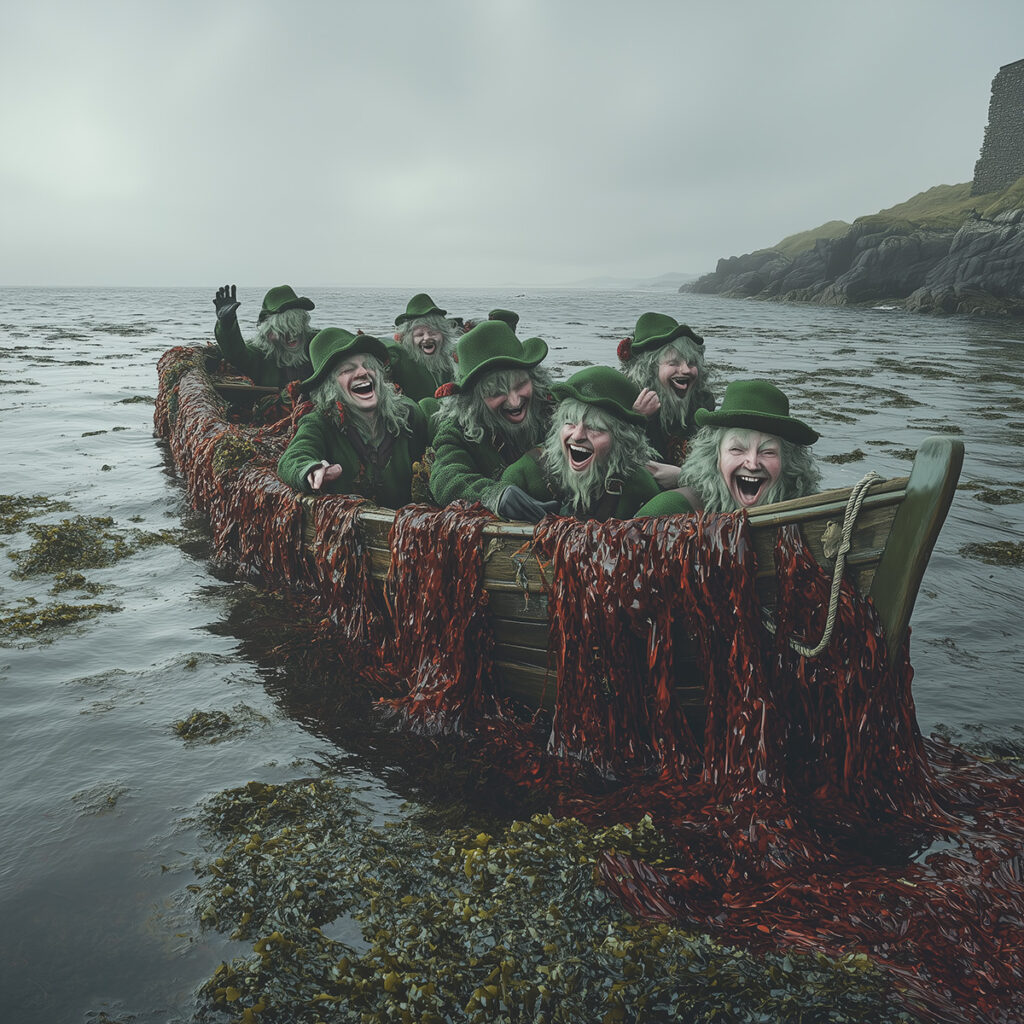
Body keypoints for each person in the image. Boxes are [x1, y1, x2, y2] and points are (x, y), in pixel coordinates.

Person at [276, 328, 428, 508]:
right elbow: (292, 458)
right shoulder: (320, 422)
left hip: (408, 524)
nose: (363, 372)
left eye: (369, 365)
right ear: (330, 387)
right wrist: (311, 469)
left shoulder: (408, 413)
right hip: (349, 526)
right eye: (347, 370)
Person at [427, 319, 557, 520]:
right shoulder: (458, 429)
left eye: (521, 384)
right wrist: (493, 495)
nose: (514, 401)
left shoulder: (555, 409)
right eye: (496, 392)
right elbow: (445, 477)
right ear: (473, 400)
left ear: (535, 379)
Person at [499, 365, 661, 522]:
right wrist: (498, 498)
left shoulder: (636, 482)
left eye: (595, 428)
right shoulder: (533, 468)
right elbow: (490, 493)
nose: (577, 436)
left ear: (621, 440)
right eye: (570, 423)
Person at [640, 379, 821, 516]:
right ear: (714, 456)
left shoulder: (806, 512)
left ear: (788, 463)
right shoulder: (671, 509)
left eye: (768, 452)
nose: (752, 464)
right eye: (737, 449)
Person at [617, 311, 716, 487]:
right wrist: (636, 419)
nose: (686, 370)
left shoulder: (703, 404)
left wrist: (682, 477)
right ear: (648, 371)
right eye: (673, 363)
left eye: (692, 363)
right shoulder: (624, 401)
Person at [212, 284, 315, 388]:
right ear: (268, 332)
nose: (291, 335)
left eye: (296, 328)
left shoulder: (315, 342)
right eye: (282, 330)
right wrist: (227, 323)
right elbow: (237, 354)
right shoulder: (261, 352)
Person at [388, 292, 458, 402]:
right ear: (409, 338)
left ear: (444, 335)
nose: (426, 338)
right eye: (419, 334)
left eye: (433, 332)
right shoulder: (400, 361)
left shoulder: (451, 360)